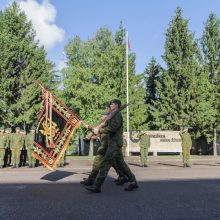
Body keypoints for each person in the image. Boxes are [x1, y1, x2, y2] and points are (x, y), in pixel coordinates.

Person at [85, 99, 138, 193]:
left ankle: (97, 186)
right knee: (121, 164)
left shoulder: (117, 115)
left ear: (117, 105)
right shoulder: (113, 115)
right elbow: (106, 125)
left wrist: (100, 131)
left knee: (105, 164)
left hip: (114, 143)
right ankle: (133, 181)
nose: (110, 105)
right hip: (113, 143)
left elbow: (113, 128)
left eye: (112, 104)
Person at [81, 109, 128, 186]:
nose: (101, 117)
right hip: (107, 145)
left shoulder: (107, 122)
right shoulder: (105, 122)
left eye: (103, 116)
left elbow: (98, 130)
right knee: (115, 163)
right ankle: (123, 176)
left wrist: (88, 126)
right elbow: (98, 132)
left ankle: (92, 180)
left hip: (108, 146)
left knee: (98, 163)